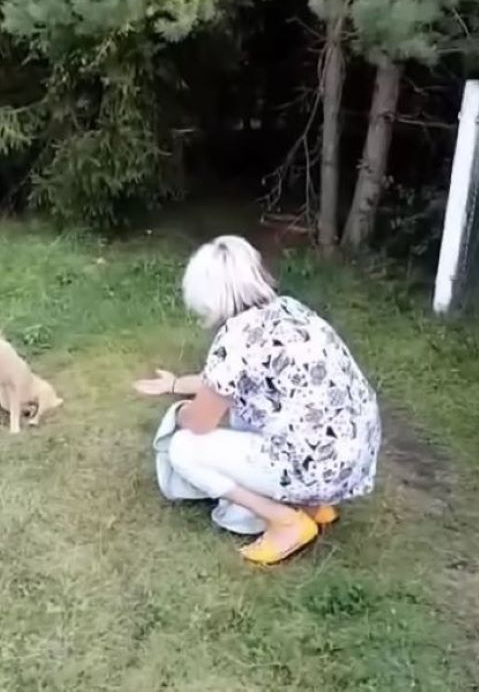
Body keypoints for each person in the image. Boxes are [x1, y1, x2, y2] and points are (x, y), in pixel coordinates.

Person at [134, 235, 381, 565]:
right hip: (353, 457)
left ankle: (285, 522)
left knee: (183, 448)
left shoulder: (236, 336)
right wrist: (177, 383)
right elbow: (228, 380)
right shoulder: (289, 308)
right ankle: (314, 506)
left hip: (314, 466)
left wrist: (181, 414)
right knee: (252, 413)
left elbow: (201, 422)